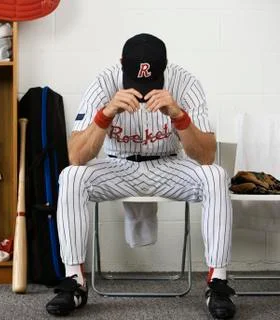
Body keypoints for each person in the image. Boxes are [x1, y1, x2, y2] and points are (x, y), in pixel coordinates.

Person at [45, 33, 236, 319]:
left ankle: (218, 281)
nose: (144, 89)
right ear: (122, 65)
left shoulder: (185, 82)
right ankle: (75, 282)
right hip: (117, 166)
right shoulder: (104, 81)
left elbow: (206, 155)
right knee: (72, 176)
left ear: (164, 67)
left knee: (215, 176)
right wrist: (106, 113)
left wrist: (178, 115)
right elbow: (76, 155)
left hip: (169, 165)